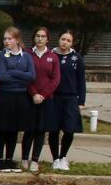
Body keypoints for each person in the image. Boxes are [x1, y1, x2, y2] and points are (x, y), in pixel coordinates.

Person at [0, 26, 36, 173]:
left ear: (17, 39)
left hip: (20, 95)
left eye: (9, 38)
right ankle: (0, 159)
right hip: (5, 94)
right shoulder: (1, 55)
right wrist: (21, 74)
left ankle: (9, 159)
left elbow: (31, 76)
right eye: (5, 39)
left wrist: (14, 72)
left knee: (14, 129)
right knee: (3, 128)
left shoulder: (26, 56)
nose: (6, 41)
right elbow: (2, 76)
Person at [24, 26, 61, 172]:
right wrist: (33, 94)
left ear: (47, 39)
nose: (40, 39)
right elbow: (25, 75)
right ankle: (24, 158)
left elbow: (55, 79)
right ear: (34, 38)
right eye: (37, 36)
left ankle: (35, 160)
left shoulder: (53, 57)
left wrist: (43, 95)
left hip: (46, 99)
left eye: (43, 36)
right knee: (29, 129)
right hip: (29, 97)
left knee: (40, 130)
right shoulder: (27, 54)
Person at [51, 30, 87, 171]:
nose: (64, 42)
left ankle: (63, 156)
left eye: (68, 40)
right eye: (62, 39)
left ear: (72, 43)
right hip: (54, 97)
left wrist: (81, 101)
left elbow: (81, 81)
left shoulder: (76, 58)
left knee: (69, 129)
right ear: (58, 39)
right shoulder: (51, 55)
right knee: (54, 129)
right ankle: (55, 158)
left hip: (71, 98)